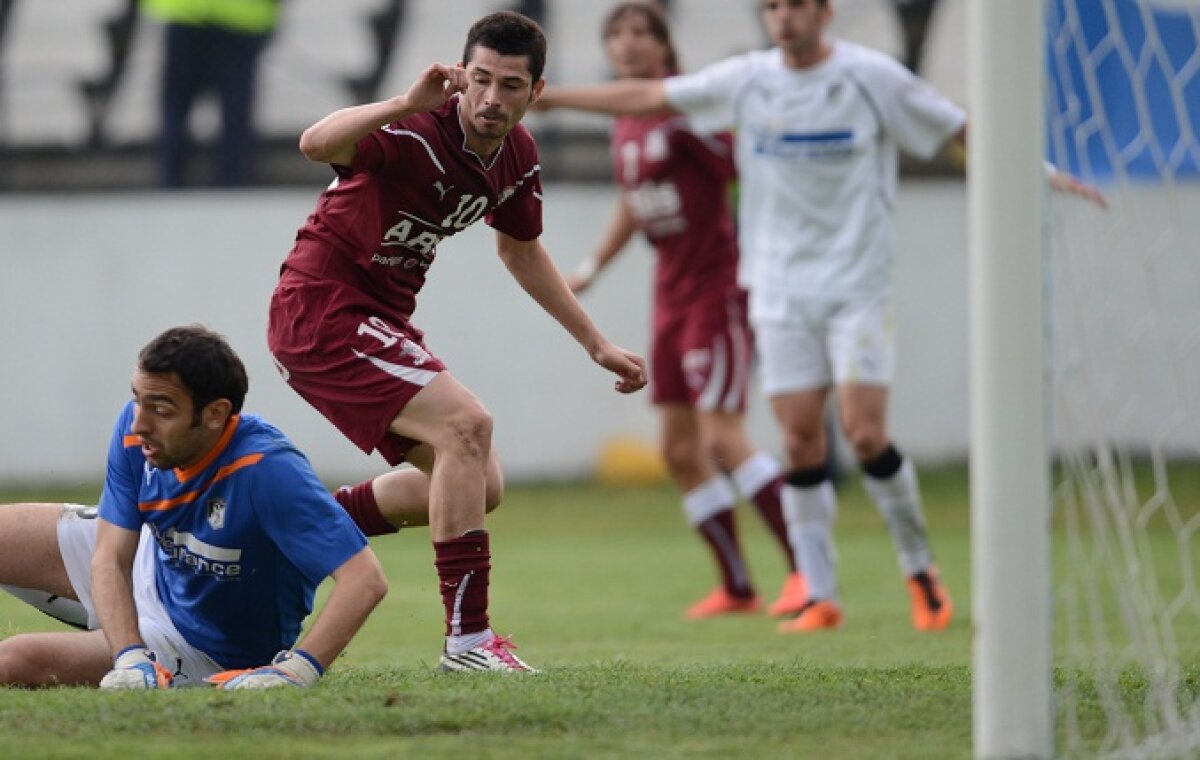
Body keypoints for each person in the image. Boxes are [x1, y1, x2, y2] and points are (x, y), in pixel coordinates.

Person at [537, 0, 1107, 634]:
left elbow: (956, 127)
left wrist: (1041, 173)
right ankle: (821, 593)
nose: (783, 18)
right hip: (777, 288)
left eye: (796, 6)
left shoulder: (872, 76)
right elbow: (647, 98)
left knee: (863, 433)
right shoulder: (748, 79)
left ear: (825, 13)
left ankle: (920, 568)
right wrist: (552, 98)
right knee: (800, 437)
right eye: (772, 7)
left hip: (856, 286)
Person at [266, 11, 647, 672]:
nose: (491, 99)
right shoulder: (416, 130)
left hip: (376, 317)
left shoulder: (518, 157)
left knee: (477, 480)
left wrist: (595, 342)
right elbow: (313, 143)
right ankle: (468, 642)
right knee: (467, 425)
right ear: (460, 76)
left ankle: (289, 529)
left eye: (509, 85)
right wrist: (401, 102)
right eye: (480, 80)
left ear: (536, 91)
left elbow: (522, 253)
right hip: (321, 308)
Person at [566, 3, 805, 620]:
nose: (627, 45)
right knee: (677, 448)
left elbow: (746, 166)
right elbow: (634, 200)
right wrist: (591, 267)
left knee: (723, 433)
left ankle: (810, 571)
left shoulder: (688, 113)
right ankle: (738, 586)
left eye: (640, 33)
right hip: (668, 293)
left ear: (665, 48)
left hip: (716, 289)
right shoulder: (628, 126)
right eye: (615, 35)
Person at [0, 325, 387, 688]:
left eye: (162, 409)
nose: (139, 424)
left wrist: (296, 670)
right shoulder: (136, 431)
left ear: (216, 414)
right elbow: (109, 558)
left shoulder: (269, 470)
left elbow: (364, 579)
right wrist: (131, 658)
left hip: (200, 645)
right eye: (138, 399)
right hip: (149, 557)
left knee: (15, 661)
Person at [140, 0, 279, 187]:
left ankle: (170, 176)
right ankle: (231, 179)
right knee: (235, 108)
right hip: (241, 18)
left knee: (177, 105)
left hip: (185, 13)